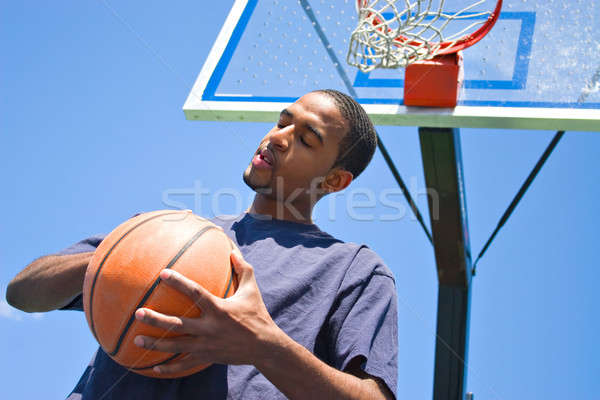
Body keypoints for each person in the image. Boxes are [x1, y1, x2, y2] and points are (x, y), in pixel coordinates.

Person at [6, 89, 398, 399]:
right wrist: (117, 259)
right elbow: (23, 293)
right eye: (282, 123)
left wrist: (264, 345)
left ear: (333, 181)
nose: (277, 138)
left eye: (305, 140)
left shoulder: (354, 270)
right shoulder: (164, 232)